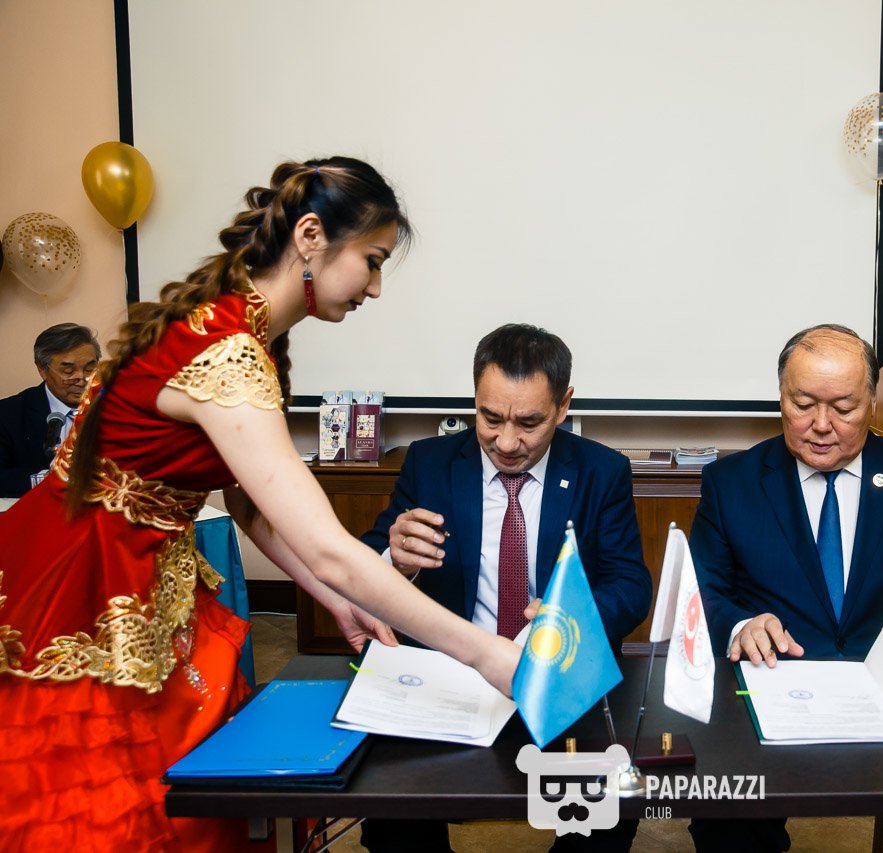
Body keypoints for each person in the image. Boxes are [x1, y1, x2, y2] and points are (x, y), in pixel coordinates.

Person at [0, 157, 520, 852]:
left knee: (191, 785)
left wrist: (333, 598)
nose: (375, 286)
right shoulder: (228, 352)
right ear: (310, 236)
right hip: (82, 583)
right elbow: (329, 547)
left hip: (138, 571)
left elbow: (248, 507)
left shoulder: (238, 332)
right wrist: (485, 654)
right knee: (105, 804)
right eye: (371, 261)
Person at [688, 323, 883, 853]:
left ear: (873, 403)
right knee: (727, 811)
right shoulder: (732, 482)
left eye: (844, 408)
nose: (821, 425)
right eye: (803, 404)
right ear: (780, 396)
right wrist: (741, 626)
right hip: (773, 683)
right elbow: (702, 595)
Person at [359, 322, 652, 853]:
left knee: (608, 808)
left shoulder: (601, 471)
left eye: (529, 422)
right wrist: (393, 559)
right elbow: (369, 560)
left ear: (563, 406)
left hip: (559, 671)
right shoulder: (430, 463)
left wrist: (569, 615)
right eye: (490, 418)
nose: (507, 442)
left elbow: (630, 585)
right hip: (450, 672)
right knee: (391, 809)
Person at [0, 322, 100, 496]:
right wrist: (50, 480)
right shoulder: (8, 414)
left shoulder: (118, 407)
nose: (82, 379)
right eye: (68, 371)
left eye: (90, 369)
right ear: (42, 370)